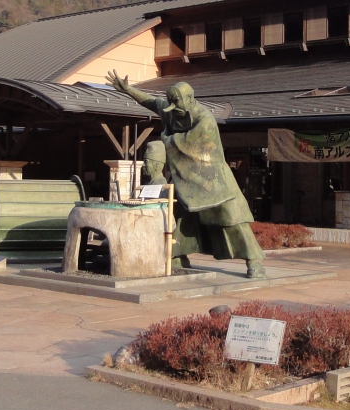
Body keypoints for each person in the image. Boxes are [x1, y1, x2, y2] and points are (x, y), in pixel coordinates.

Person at [107, 71, 265, 278]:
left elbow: (190, 143)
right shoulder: (171, 110)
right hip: (185, 179)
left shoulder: (205, 118)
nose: (175, 112)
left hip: (213, 179)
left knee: (231, 217)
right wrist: (128, 90)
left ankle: (254, 262)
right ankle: (177, 255)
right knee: (179, 214)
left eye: (178, 107)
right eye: (171, 107)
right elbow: (152, 102)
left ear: (191, 99)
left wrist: (166, 139)